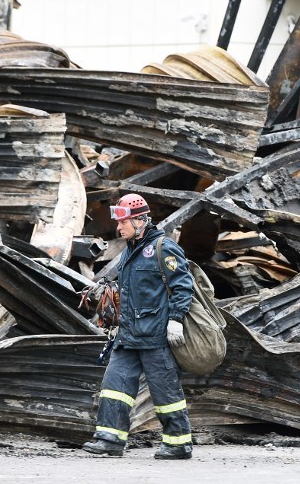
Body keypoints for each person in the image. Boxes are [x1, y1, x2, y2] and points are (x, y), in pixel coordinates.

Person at [82, 193, 195, 460]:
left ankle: (178, 443)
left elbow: (183, 286)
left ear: (141, 220)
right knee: (114, 386)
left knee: (165, 391)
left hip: (155, 336)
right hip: (128, 334)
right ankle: (109, 439)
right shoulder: (130, 251)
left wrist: (176, 319)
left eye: (123, 223)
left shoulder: (163, 248)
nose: (118, 228)